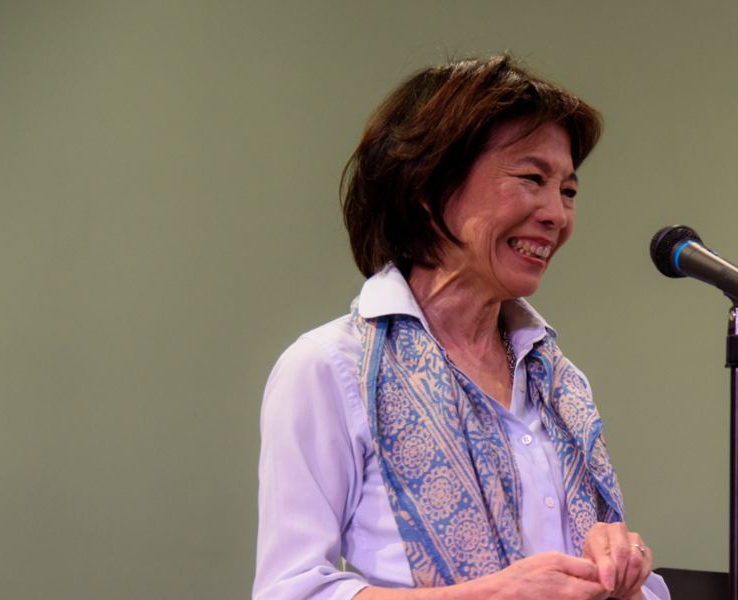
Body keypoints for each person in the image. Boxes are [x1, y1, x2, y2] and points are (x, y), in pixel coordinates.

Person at [253, 56, 669, 600]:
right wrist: (496, 595)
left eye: (568, 190)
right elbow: (290, 592)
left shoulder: (558, 382)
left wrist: (624, 576)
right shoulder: (330, 369)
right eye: (532, 179)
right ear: (428, 187)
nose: (557, 215)